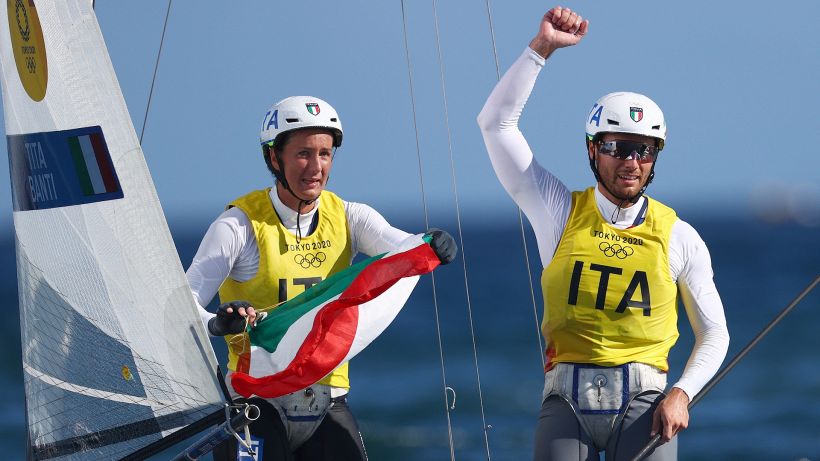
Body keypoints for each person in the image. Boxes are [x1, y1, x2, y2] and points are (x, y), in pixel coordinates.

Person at [477, 7, 729, 460]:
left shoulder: (678, 235)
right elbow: (495, 125)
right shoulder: (556, 210)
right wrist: (542, 49)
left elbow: (715, 333)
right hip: (565, 403)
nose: (631, 161)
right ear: (594, 150)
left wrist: (682, 394)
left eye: (644, 150)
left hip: (644, 403)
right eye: (618, 147)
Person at [187, 95, 457, 461]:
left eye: (325, 154)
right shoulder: (238, 225)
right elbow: (185, 306)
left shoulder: (349, 216)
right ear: (273, 158)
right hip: (255, 403)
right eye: (303, 154)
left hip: (327, 399)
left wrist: (431, 246)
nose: (315, 167)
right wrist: (218, 324)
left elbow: (402, 250)